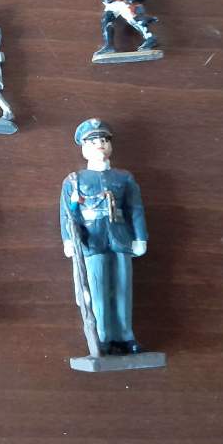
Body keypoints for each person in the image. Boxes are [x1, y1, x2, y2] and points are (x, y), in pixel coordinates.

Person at [60, 119, 148, 355]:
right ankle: (103, 336)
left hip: (120, 237)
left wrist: (140, 237)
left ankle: (125, 336)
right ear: (84, 147)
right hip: (91, 239)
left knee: (123, 287)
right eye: (93, 142)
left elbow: (135, 208)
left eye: (103, 140)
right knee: (97, 289)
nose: (99, 144)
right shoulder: (74, 180)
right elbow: (67, 213)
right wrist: (68, 240)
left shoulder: (124, 178)